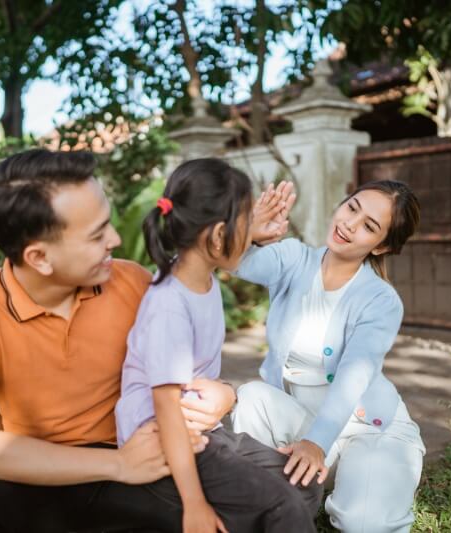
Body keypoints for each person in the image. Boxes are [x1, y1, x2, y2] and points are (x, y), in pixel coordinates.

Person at [0, 149, 244, 532]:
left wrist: (226, 394)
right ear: (40, 257)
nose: (114, 239)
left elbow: (190, 373)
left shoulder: (139, 286)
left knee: (230, 515)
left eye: (108, 223)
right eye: (96, 234)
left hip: (133, 461)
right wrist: (119, 465)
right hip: (30, 471)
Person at [115, 158, 322, 533]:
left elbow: (223, 249)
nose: (250, 233)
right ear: (216, 237)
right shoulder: (169, 308)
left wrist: (251, 232)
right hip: (164, 441)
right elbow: (166, 414)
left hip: (203, 432)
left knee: (304, 485)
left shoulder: (196, 269)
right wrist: (193, 505)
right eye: (244, 222)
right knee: (283, 506)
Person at [231, 180, 426, 533]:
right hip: (305, 425)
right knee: (251, 397)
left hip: (369, 430)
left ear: (381, 247)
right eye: (352, 208)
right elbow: (238, 264)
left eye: (369, 225)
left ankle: (365, 479)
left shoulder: (380, 300)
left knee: (361, 524)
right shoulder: (293, 257)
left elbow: (355, 374)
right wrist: (250, 231)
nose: (350, 224)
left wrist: (316, 444)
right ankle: (287, 488)